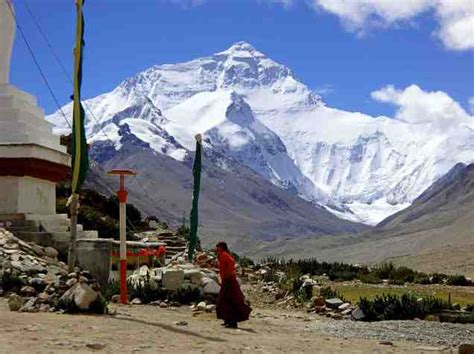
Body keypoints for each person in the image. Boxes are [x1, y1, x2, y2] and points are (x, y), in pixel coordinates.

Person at [215, 241, 251, 328]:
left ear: (221, 247)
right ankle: (227, 320)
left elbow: (231, 262)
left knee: (230, 300)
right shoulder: (222, 255)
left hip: (229, 280)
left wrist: (227, 273)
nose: (216, 249)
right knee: (224, 300)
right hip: (227, 280)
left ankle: (232, 321)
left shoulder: (224, 254)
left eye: (218, 247)